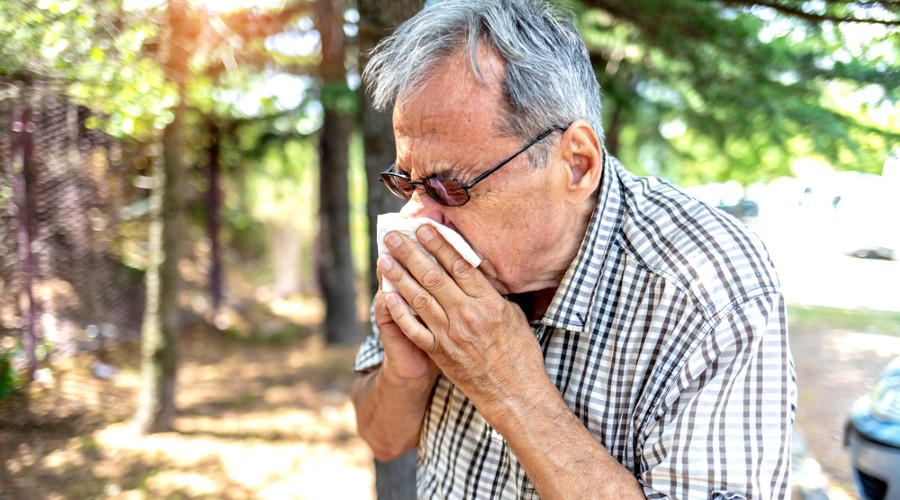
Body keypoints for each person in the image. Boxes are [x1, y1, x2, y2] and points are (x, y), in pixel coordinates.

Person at [351, 0, 796, 498]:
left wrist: (509, 386)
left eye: (450, 188)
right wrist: (406, 376)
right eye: (405, 183)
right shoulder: (429, 254)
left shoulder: (710, 287)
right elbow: (382, 438)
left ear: (577, 164)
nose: (416, 217)